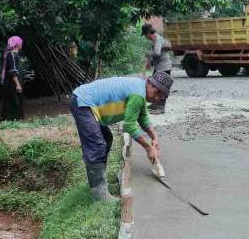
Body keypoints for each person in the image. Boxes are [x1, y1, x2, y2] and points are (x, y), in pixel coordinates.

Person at [70, 72, 173, 202]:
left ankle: (99, 182)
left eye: (161, 95)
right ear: (148, 83)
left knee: (107, 139)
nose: (157, 97)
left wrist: (154, 137)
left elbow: (143, 117)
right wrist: (148, 148)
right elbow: (129, 126)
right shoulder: (138, 94)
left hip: (85, 101)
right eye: (156, 91)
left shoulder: (140, 90)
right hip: (84, 102)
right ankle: (99, 195)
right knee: (97, 146)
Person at [142, 24, 172, 114]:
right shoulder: (154, 40)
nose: (145, 37)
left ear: (148, 33)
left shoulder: (157, 39)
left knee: (161, 88)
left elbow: (157, 53)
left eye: (145, 35)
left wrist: (148, 53)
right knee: (154, 86)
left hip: (164, 67)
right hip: (159, 67)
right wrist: (149, 62)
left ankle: (161, 108)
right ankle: (155, 105)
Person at [0, 36, 25, 121]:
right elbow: (12, 71)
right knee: (12, 101)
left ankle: (17, 118)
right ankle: (10, 119)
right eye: (21, 43)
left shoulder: (17, 55)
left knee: (17, 100)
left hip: (16, 82)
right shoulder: (10, 55)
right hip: (12, 83)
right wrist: (17, 84)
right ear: (18, 44)